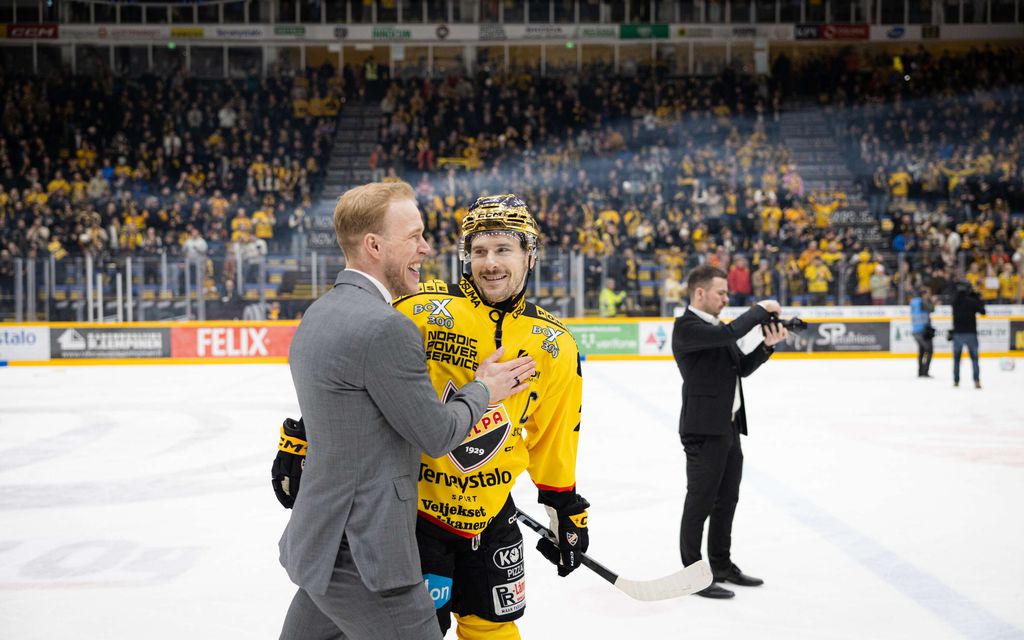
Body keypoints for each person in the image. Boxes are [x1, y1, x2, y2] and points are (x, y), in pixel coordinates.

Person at [279, 181, 536, 640]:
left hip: (318, 545)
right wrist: (484, 388)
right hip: (367, 555)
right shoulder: (386, 328)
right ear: (374, 245)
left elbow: (343, 412)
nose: (426, 247)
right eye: (414, 236)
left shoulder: (319, 313)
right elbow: (436, 434)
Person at [393, 193, 587, 639]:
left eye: (503, 249)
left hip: (492, 514)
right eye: (478, 250)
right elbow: (358, 377)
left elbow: (555, 433)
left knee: (494, 631)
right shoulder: (421, 311)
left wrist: (564, 505)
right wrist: (308, 437)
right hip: (415, 514)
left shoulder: (553, 344)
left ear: (529, 256)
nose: (490, 262)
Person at [671, 265, 788, 599]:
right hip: (703, 431)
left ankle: (721, 565)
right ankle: (693, 574)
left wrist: (767, 346)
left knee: (727, 501)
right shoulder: (688, 328)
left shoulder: (716, 328)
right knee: (700, 503)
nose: (726, 299)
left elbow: (741, 367)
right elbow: (730, 334)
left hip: (728, 427)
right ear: (699, 293)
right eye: (721, 293)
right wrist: (759, 310)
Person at [951, 282, 986, 389]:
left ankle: (956, 381)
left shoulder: (955, 302)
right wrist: (976, 297)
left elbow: (956, 298)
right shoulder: (972, 301)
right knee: (974, 359)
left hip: (958, 333)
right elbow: (983, 311)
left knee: (957, 359)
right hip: (971, 333)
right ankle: (976, 380)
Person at [909, 287, 936, 378]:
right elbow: (932, 309)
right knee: (929, 350)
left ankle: (920, 371)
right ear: (923, 294)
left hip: (915, 330)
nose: (929, 295)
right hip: (923, 330)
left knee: (922, 351)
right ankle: (925, 371)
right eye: (928, 294)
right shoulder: (922, 301)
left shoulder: (914, 302)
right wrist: (932, 301)